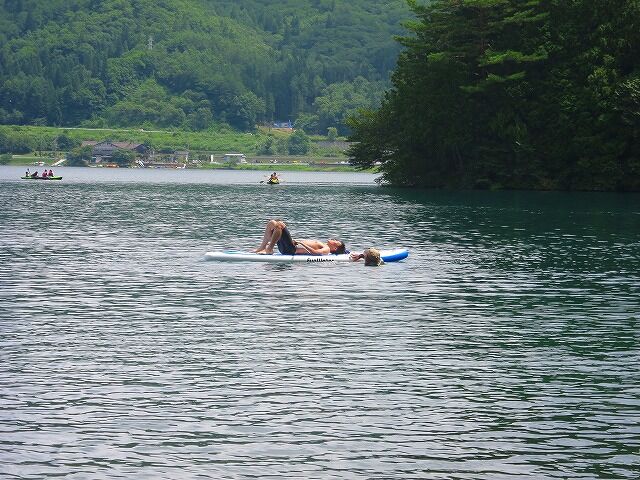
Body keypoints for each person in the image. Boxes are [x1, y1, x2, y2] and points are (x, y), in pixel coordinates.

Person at [254, 219, 346, 255]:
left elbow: (315, 253)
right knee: (272, 223)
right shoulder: (323, 244)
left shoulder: (327, 249)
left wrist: (301, 243)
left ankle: (269, 249)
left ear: (335, 248)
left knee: (280, 224)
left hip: (291, 250)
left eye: (336, 241)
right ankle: (262, 248)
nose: (334, 239)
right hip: (288, 247)